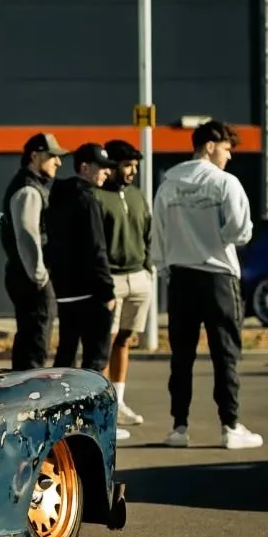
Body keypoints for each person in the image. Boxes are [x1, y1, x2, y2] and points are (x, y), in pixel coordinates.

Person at [154, 121, 260, 449]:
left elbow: (157, 233)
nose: (229, 156)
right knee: (224, 353)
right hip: (218, 277)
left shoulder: (168, 184)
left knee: (181, 355)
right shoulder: (225, 182)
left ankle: (179, 427)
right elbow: (241, 231)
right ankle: (230, 427)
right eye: (227, 148)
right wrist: (217, 238)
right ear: (211, 145)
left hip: (181, 277)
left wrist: (164, 267)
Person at [44, 144, 123, 431]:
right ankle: (91, 422)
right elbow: (96, 249)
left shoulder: (56, 197)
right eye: (101, 167)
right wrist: (107, 291)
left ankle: (59, 416)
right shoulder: (88, 200)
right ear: (84, 167)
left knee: (66, 356)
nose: (106, 172)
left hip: (66, 291)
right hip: (91, 293)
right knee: (95, 361)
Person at [96, 138, 154, 425]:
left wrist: (147, 267)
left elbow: (147, 232)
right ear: (113, 165)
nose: (132, 171)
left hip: (139, 277)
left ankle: (119, 401)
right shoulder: (97, 196)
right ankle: (105, 406)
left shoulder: (137, 195)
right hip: (112, 280)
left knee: (125, 340)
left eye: (134, 166)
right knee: (105, 342)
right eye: (127, 165)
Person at [1, 132, 64, 370]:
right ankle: (29, 395)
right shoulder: (29, 190)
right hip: (31, 276)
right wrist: (40, 275)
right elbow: (27, 236)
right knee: (36, 340)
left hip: (25, 274)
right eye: (53, 156)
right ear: (35, 156)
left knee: (30, 337)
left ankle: (24, 390)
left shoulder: (31, 186)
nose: (58, 162)